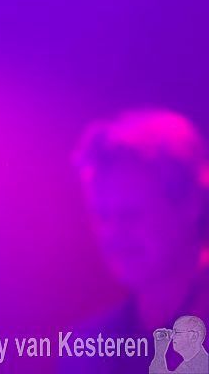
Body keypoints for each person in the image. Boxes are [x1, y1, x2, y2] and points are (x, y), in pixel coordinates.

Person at [63, 107, 209, 374]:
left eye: (130, 214)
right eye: (102, 217)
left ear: (191, 204)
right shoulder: (88, 351)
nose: (112, 234)